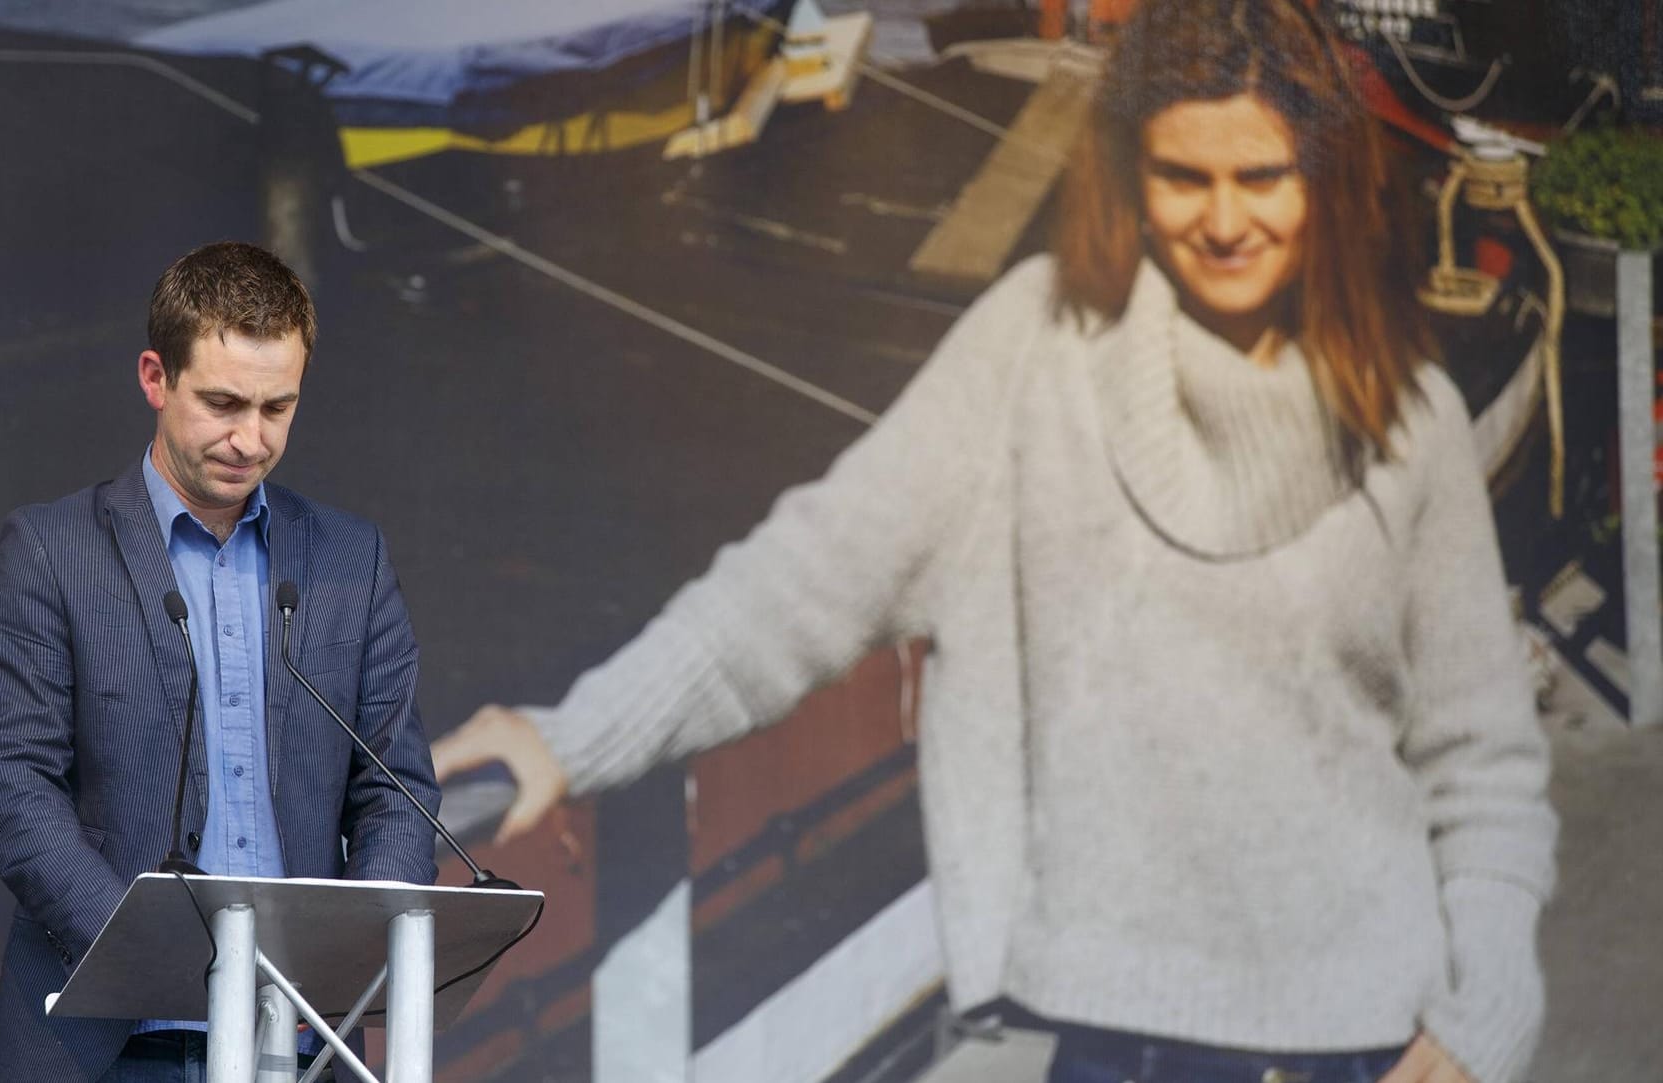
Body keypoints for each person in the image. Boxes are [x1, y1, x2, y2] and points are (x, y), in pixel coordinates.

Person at [432, 1, 1559, 1081]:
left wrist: (1491, 1009)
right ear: (1131, 174)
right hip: (1115, 1044)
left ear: (1322, 176)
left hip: (1382, 1040)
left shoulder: (1411, 421)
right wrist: (570, 737)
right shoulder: (1038, 348)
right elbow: (803, 584)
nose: (1224, 221)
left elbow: (1483, 762)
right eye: (1183, 176)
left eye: (1262, 176)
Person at [0, 241, 439, 1081]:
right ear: (155, 377)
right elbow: (14, 782)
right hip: (109, 1042)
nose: (249, 439)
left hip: (303, 1044)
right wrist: (149, 954)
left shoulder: (349, 561)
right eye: (222, 403)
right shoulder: (50, 550)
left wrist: (348, 958)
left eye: (276, 408)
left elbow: (397, 792)